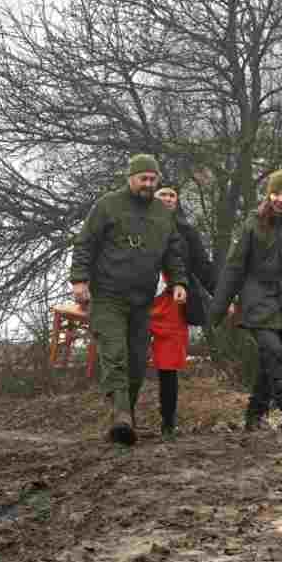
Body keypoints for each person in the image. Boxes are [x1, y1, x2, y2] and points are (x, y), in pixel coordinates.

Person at [70, 153, 188, 445]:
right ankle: (121, 413)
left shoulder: (162, 213)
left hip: (141, 300)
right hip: (109, 295)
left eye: (153, 178)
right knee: (114, 353)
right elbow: (85, 242)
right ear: (131, 179)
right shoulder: (108, 206)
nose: (148, 183)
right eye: (143, 178)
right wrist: (80, 280)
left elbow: (173, 250)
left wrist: (178, 281)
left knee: (136, 360)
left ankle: (125, 419)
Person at [209, 170, 282, 432]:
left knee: (268, 361)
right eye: (276, 193)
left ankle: (254, 414)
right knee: (275, 351)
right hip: (256, 297)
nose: (280, 199)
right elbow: (235, 266)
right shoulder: (254, 223)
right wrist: (218, 307)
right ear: (268, 194)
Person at [150, 184, 216, 437]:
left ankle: (168, 423)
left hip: (173, 302)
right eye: (162, 194)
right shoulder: (133, 225)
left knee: (168, 364)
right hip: (138, 300)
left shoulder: (187, 231)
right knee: (129, 358)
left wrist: (221, 297)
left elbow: (203, 267)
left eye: (171, 195)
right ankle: (124, 418)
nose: (167, 198)